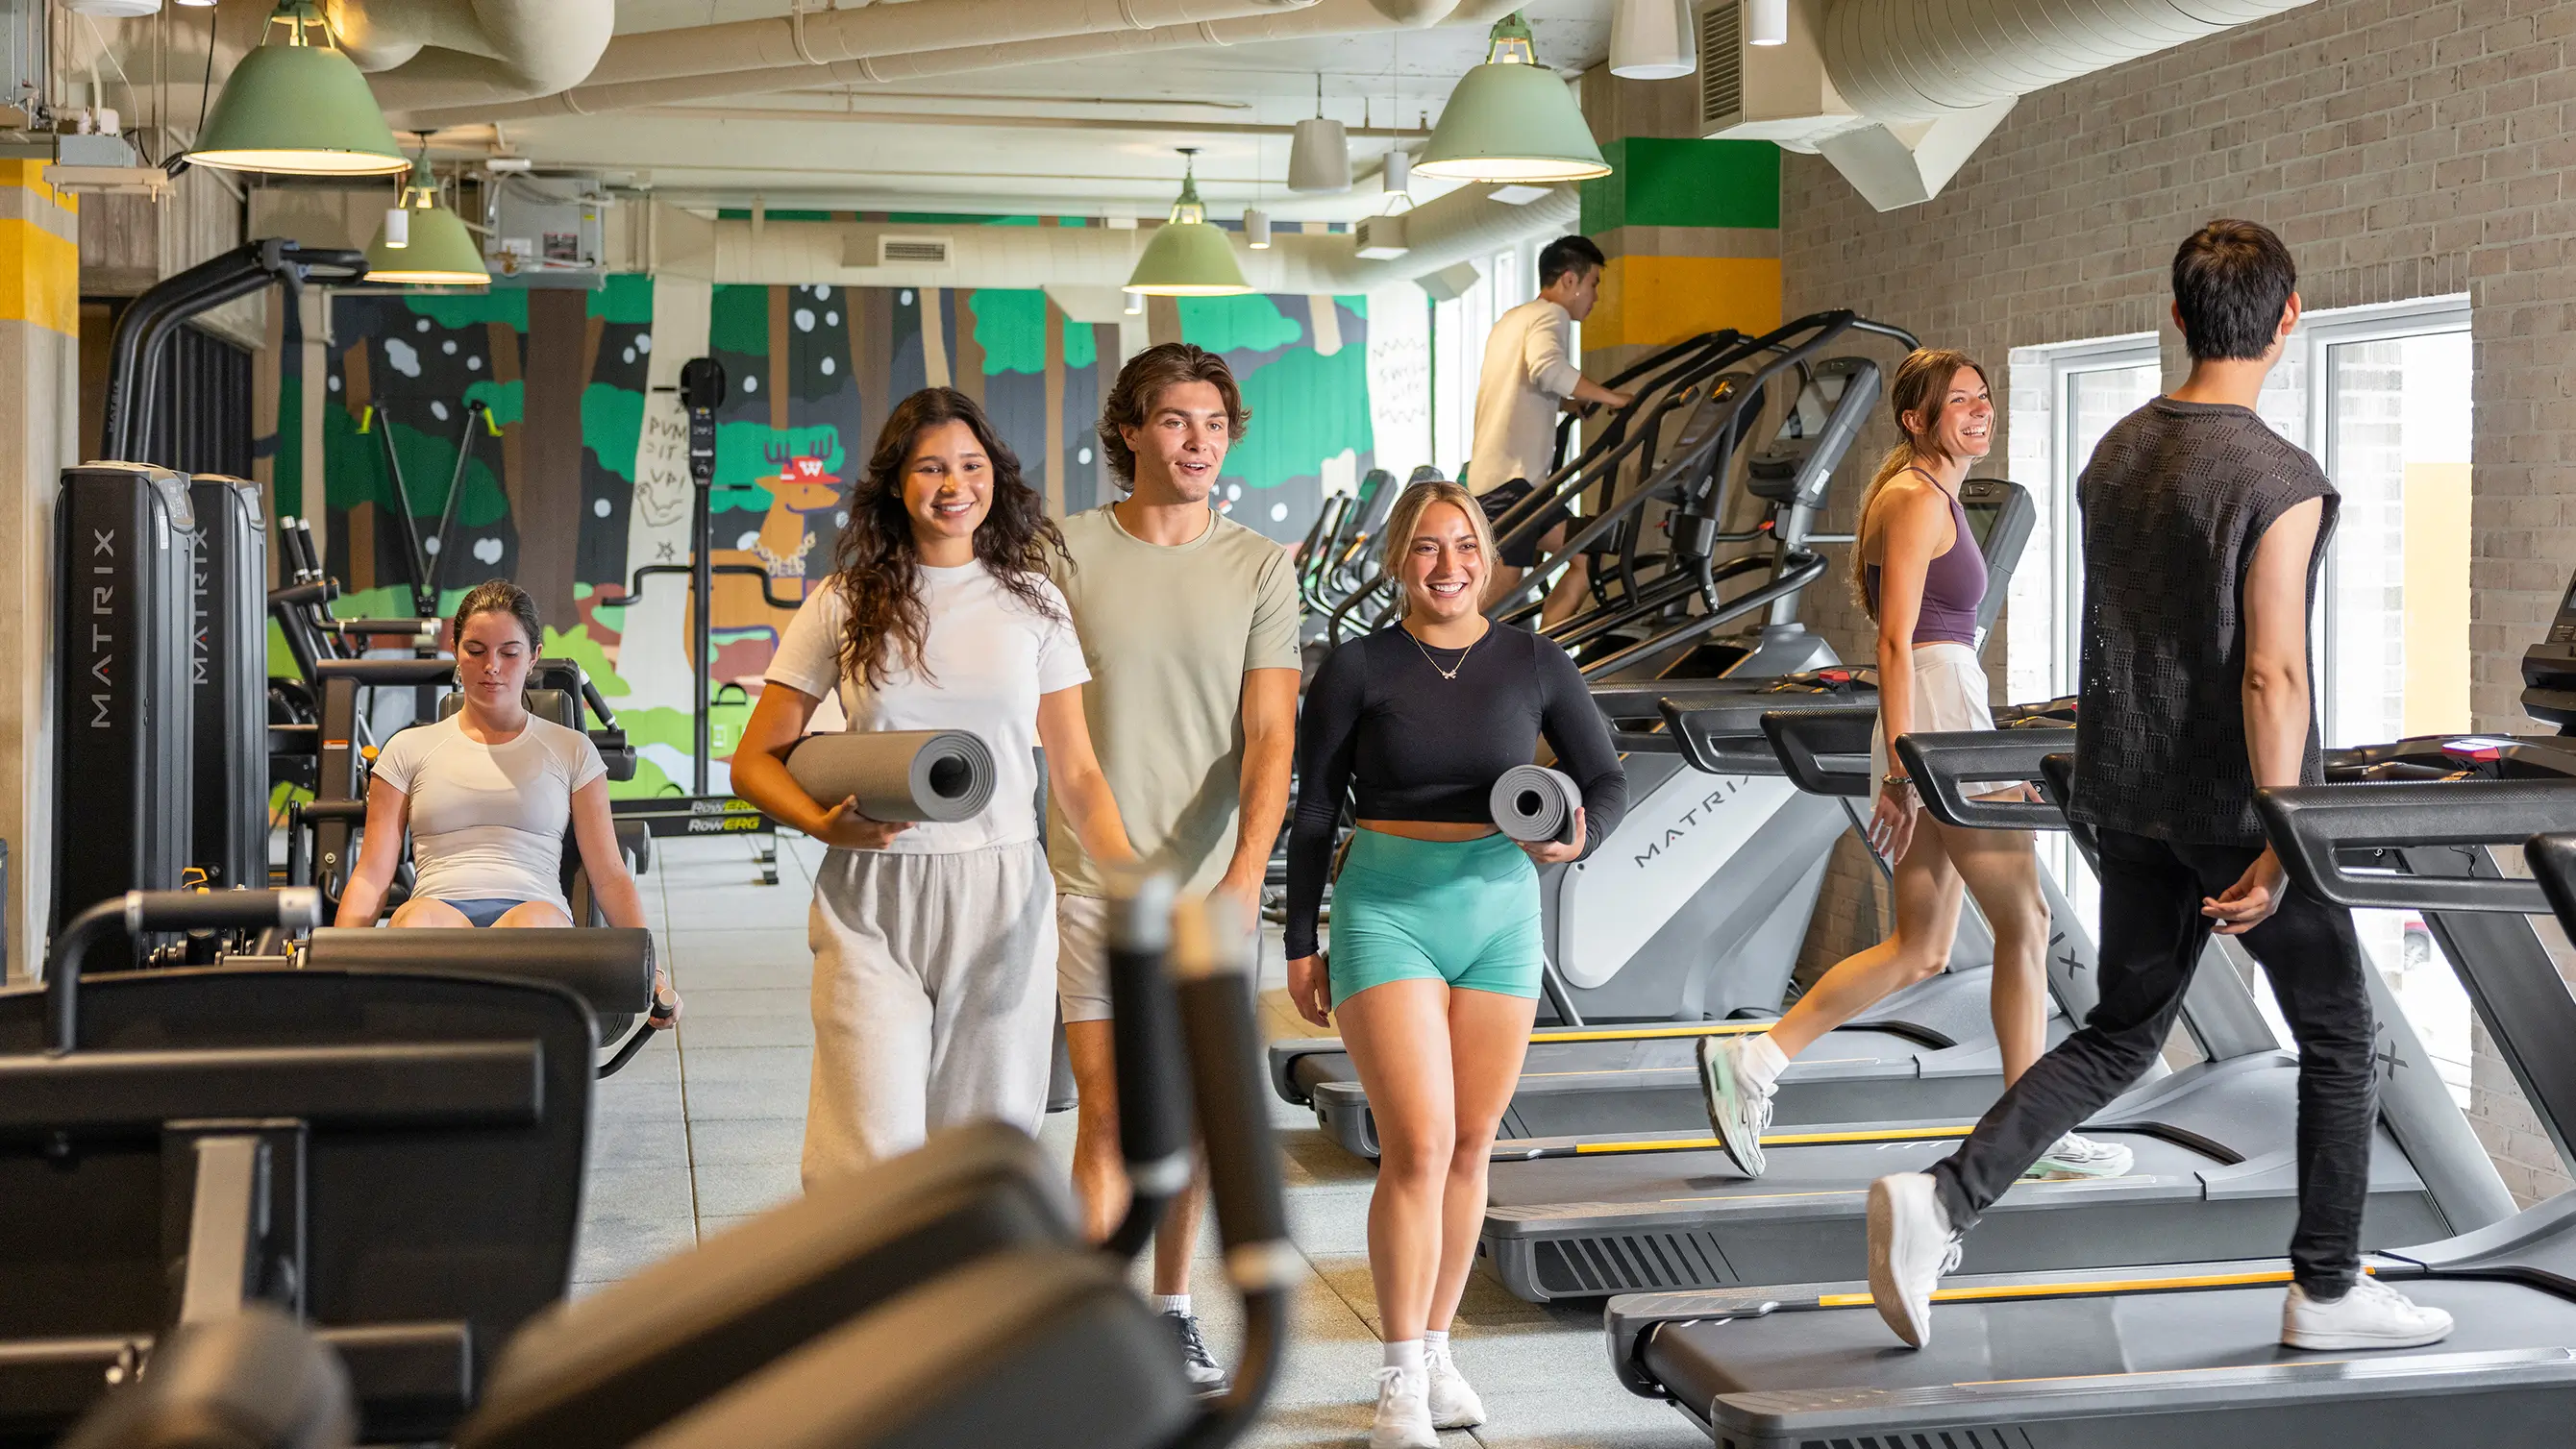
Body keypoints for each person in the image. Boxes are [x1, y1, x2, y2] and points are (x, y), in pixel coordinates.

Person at [1864, 220, 2454, 1354]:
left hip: (2123, 795)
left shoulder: (2113, 455)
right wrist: (2286, 840)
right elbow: (2272, 670)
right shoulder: (2279, 477)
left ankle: (1942, 1197)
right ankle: (2327, 1290)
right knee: (2340, 1032)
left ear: (2177, 318)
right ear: (2289, 319)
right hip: (2236, 809)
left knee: (2125, 1029)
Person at [1694, 350, 2129, 1185]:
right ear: (1916, 419)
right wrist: (1903, 763)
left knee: (1922, 946)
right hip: (1933, 710)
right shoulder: (1913, 499)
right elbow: (1894, 641)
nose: (1978, 411)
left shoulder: (1934, 494)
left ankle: (1754, 1060)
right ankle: (2029, 1131)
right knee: (2026, 920)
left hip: (1939, 701)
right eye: (1957, 401)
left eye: (1983, 398)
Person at [1284, 479, 1627, 1449]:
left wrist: (1578, 837)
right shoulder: (1357, 667)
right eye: (1427, 547)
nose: (1448, 565)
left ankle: (1436, 1347)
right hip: (1386, 904)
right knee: (1419, 1143)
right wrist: (1298, 939)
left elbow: (1605, 775)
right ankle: (1398, 1372)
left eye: (1464, 545)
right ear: (1399, 559)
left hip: (1499, 909)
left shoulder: (1532, 657)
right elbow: (1315, 807)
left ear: (1487, 555)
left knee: (1474, 1142)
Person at [731, 386, 1138, 1184]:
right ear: (895, 483)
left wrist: (1130, 879)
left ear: (996, 475)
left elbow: (1078, 770)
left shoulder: (1035, 603)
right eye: (930, 468)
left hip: (1003, 891)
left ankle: (974, 1308)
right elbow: (753, 761)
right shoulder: (844, 601)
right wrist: (822, 825)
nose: (954, 485)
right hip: (872, 892)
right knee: (866, 1151)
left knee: (982, 1151)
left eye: (970, 465)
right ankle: (872, 1309)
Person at [1050, 343, 1300, 1395]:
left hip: (1210, 891)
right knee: (1109, 1112)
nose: (1196, 442)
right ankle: (1095, 1314)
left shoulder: (1260, 565)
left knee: (1191, 1114)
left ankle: (1171, 1306)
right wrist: (1114, 864)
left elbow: (1271, 735)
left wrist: (1245, 876)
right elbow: (1059, 741)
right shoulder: (1060, 553)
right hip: (1089, 881)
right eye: (1173, 422)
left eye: (1211, 424)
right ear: (1129, 433)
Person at [1468, 234, 1634, 626]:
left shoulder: (1513, 318)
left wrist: (1571, 403)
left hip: (1516, 483)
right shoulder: (1551, 316)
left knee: (1583, 554)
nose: (1594, 296)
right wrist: (1610, 397)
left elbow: (1524, 383)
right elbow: (1547, 369)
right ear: (1569, 281)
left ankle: (1545, 662)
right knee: (1503, 587)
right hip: (1513, 485)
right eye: (1593, 284)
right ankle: (1450, 667)